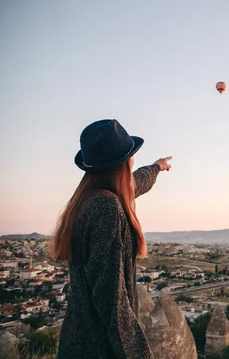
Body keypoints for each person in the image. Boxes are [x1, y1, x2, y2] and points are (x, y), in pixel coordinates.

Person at [51, 119, 172, 359]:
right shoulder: (107, 206)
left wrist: (157, 167)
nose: (133, 160)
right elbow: (111, 299)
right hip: (99, 347)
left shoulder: (87, 199)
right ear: (123, 163)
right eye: (132, 155)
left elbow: (134, 184)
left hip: (78, 339)